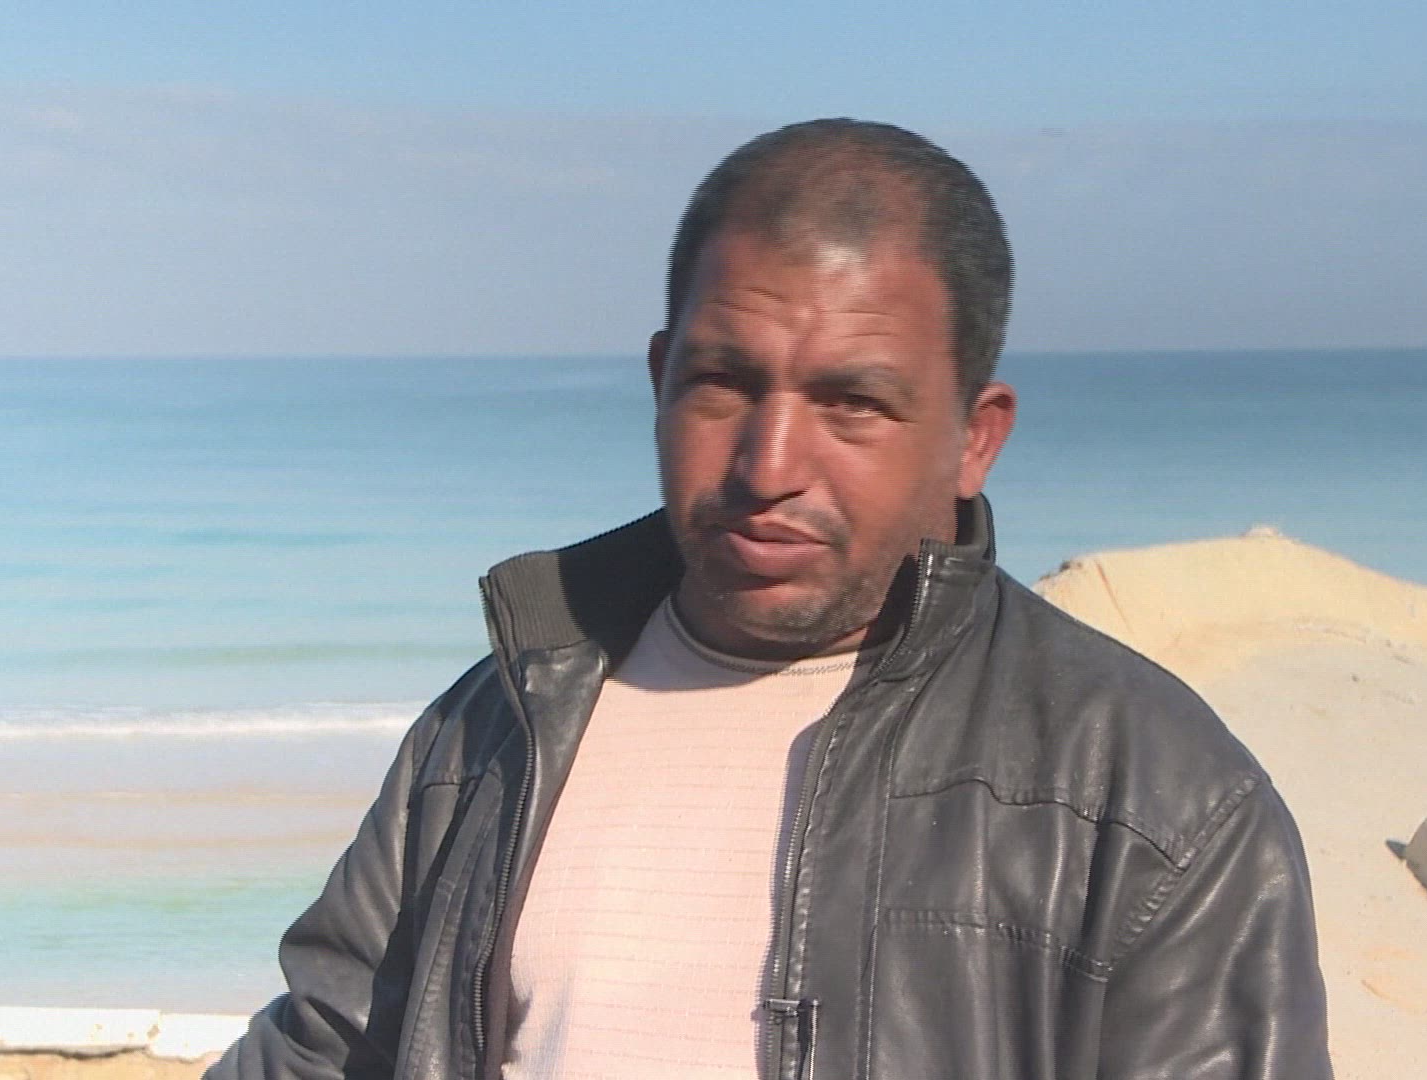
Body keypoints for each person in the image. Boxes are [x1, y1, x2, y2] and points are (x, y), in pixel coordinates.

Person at [207, 119, 1331, 1079]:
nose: (769, 464)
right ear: (660, 379)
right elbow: (323, 1051)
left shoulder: (1153, 798)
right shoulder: (497, 728)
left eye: (853, 403)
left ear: (973, 438)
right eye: (723, 383)